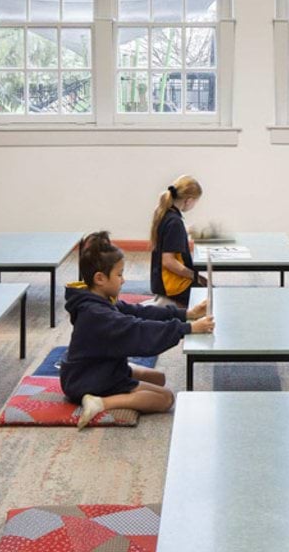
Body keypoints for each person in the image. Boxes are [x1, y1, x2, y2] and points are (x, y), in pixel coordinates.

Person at [62, 231, 212, 429]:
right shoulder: (98, 314)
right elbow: (139, 330)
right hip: (88, 380)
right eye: (119, 274)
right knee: (165, 398)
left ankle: (108, 394)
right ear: (100, 278)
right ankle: (99, 402)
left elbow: (140, 312)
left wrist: (186, 314)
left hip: (95, 367)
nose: (123, 280)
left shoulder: (98, 299)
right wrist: (188, 328)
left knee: (158, 378)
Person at [148, 175, 207, 308]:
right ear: (189, 200)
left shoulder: (165, 214)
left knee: (207, 286)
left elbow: (170, 235)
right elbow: (168, 261)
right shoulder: (175, 222)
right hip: (173, 287)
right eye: (195, 202)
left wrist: (187, 230)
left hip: (159, 283)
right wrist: (195, 276)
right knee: (212, 295)